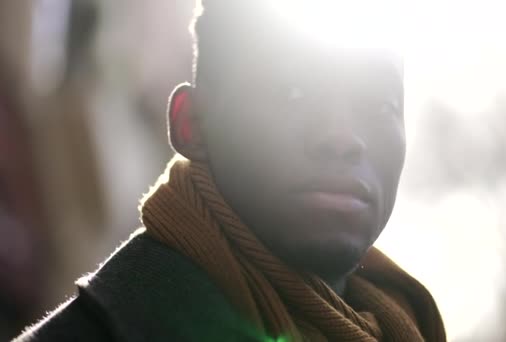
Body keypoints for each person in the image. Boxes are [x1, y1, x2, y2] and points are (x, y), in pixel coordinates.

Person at [15, 1, 446, 341]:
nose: (343, 138)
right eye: (292, 93)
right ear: (193, 125)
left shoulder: (411, 325)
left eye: (382, 105)